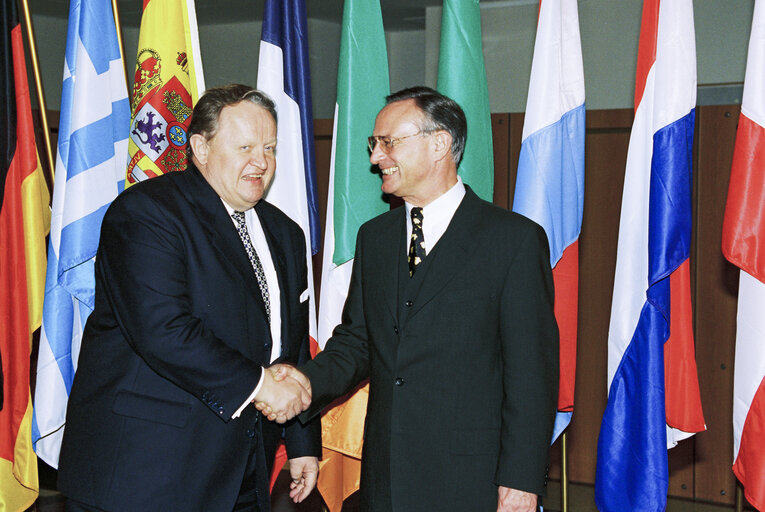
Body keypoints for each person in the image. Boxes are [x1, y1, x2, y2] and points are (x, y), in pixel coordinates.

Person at [264, 86, 559, 511]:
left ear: (439, 143)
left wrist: (521, 482)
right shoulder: (376, 238)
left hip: (472, 479)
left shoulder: (512, 241)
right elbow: (358, 342)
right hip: (385, 477)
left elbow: (531, 375)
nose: (375, 157)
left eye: (388, 142)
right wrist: (306, 383)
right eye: (374, 143)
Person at [57, 84, 320, 512]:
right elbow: (163, 329)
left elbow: (290, 348)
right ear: (200, 146)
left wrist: (302, 440)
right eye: (246, 146)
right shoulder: (148, 213)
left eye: (270, 147)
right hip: (148, 474)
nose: (262, 162)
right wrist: (259, 386)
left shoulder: (285, 232)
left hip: (243, 475)